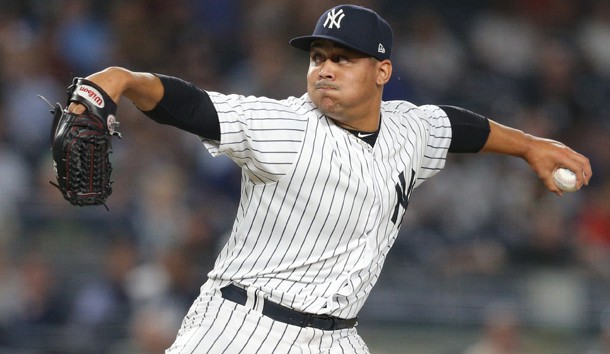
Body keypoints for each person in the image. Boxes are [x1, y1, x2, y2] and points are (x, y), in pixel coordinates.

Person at [67, 4, 592, 353]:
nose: (324, 69)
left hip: (337, 339)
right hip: (244, 329)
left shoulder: (409, 127)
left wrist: (528, 146)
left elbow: (458, 126)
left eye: (343, 58)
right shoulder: (286, 126)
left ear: (382, 72)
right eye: (318, 57)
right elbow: (195, 106)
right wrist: (122, 80)